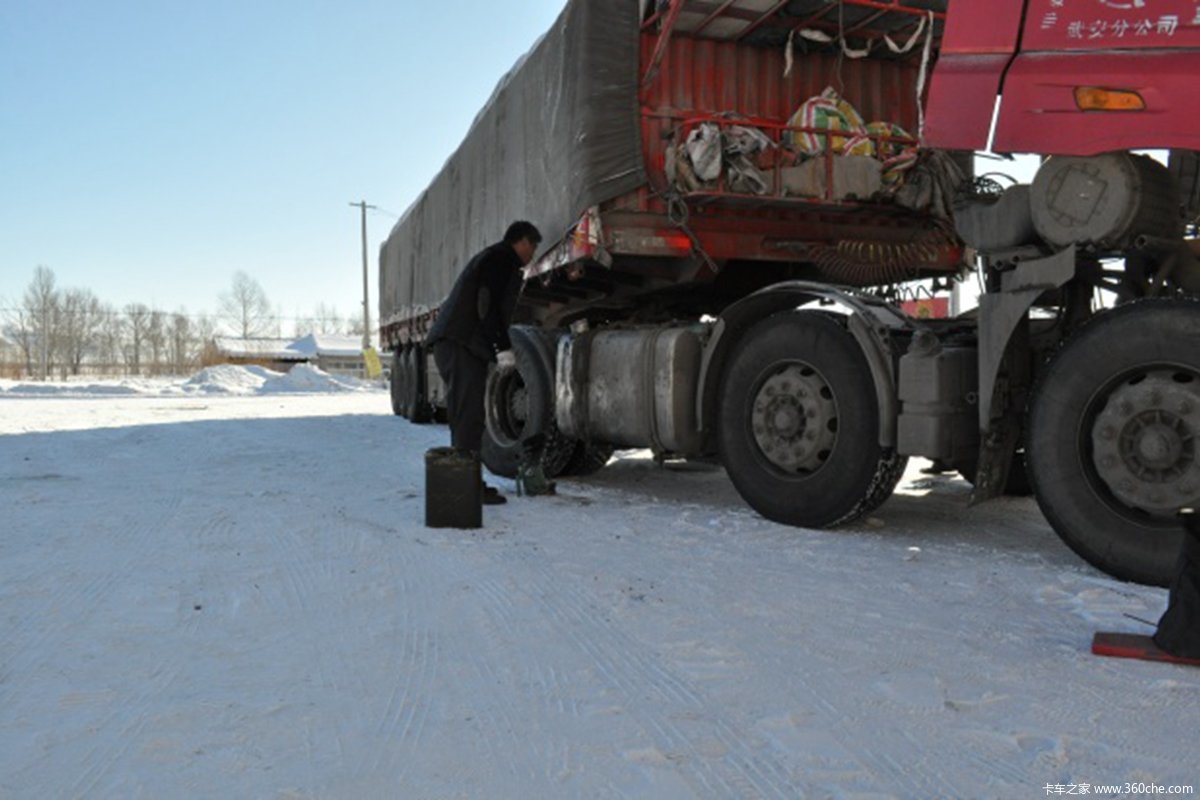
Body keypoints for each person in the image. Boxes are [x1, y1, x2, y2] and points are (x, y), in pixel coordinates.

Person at [426, 221, 542, 505]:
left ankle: (466, 483)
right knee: (468, 417)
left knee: (467, 416)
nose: (533, 255)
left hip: (458, 343)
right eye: (534, 247)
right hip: (460, 343)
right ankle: (466, 489)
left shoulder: (495, 258)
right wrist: (502, 348)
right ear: (523, 242)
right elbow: (486, 307)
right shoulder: (500, 259)